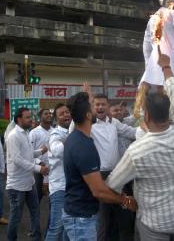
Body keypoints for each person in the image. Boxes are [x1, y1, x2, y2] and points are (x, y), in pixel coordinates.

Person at [106, 46, 174, 241]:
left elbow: (111, 185)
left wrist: (126, 200)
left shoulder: (137, 151)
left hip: (153, 225)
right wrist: (166, 66)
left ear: (147, 115)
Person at [63, 92, 136, 241]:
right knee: (104, 226)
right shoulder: (83, 144)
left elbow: (132, 132)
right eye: (93, 106)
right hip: (81, 218)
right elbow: (98, 191)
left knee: (118, 225)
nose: (98, 108)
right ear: (89, 115)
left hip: (79, 213)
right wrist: (126, 200)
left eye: (103, 104)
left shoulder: (77, 138)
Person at [6, 108, 49, 241]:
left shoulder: (25, 133)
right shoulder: (13, 136)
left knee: (35, 212)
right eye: (28, 117)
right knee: (16, 217)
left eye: (31, 117)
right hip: (16, 185)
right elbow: (17, 160)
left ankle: (37, 237)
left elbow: (28, 154)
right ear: (19, 119)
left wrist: (40, 152)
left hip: (29, 183)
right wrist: (38, 168)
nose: (31, 119)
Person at [46, 104, 71, 241]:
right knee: (56, 227)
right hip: (60, 187)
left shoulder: (71, 131)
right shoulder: (55, 134)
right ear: (56, 119)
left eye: (67, 112)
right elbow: (58, 151)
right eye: (62, 114)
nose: (66, 115)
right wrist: (73, 135)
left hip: (72, 187)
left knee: (68, 227)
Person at [29, 108, 53, 204]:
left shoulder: (55, 132)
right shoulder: (34, 132)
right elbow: (29, 153)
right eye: (46, 113)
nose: (49, 115)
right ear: (40, 117)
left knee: (54, 199)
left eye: (50, 113)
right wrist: (39, 163)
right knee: (36, 199)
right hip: (39, 170)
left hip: (53, 169)